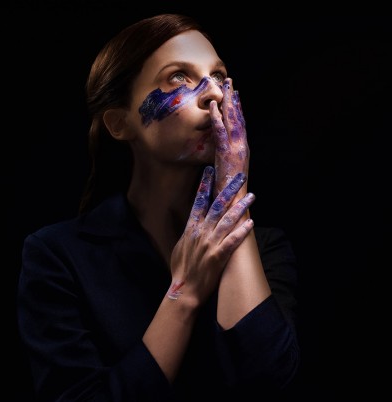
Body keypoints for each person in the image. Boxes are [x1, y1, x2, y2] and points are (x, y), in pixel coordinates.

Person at [17, 13, 300, 402]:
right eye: (178, 77)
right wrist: (184, 294)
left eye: (219, 77)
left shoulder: (265, 249)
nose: (215, 94)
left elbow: (269, 382)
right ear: (119, 124)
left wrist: (234, 188)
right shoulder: (58, 256)